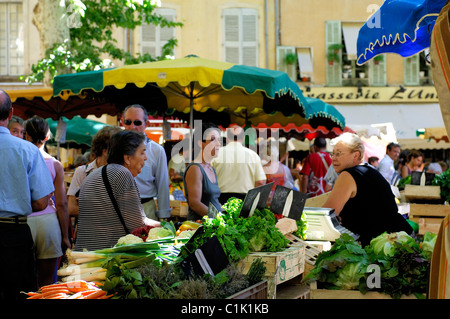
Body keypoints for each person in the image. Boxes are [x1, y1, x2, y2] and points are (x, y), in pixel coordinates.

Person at [0, 90, 54, 299]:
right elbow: (42, 202)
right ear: (11, 112)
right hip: (15, 234)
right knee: (19, 293)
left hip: (16, 234)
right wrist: (15, 202)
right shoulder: (28, 150)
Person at [74, 130, 161, 252]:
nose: (145, 158)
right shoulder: (121, 174)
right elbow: (137, 224)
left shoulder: (96, 173)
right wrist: (165, 228)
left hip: (87, 252)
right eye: (142, 153)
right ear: (128, 158)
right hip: (105, 256)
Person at [322, 133, 413, 247]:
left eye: (339, 154)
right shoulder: (369, 170)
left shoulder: (347, 175)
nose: (333, 158)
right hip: (398, 239)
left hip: (385, 245)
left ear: (356, 155)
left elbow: (325, 214)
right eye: (333, 154)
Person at [24, 116, 71, 287]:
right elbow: (62, 204)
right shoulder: (55, 164)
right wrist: (66, 237)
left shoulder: (20, 160)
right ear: (47, 137)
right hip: (48, 223)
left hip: (23, 221)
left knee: (24, 281)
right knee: (47, 283)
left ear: (26, 135)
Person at [121, 104, 171, 221]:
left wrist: (164, 217)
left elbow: (162, 184)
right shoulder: (115, 147)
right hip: (120, 208)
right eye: (128, 122)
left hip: (146, 208)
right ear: (122, 123)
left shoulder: (156, 150)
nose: (132, 126)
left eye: (137, 123)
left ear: (146, 124)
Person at [67, 126, 122, 219]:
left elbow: (124, 210)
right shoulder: (83, 172)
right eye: (119, 148)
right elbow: (71, 208)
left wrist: (88, 207)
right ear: (105, 151)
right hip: (88, 231)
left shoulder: (121, 172)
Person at [212, 125, 266, 204]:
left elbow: (208, 179)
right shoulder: (253, 155)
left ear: (227, 137)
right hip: (245, 200)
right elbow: (261, 182)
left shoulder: (216, 154)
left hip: (220, 200)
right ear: (243, 138)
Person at [184, 122, 222, 220]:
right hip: (200, 226)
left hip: (215, 226)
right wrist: (218, 218)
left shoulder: (210, 168)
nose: (218, 144)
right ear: (200, 143)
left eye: (219, 140)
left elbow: (213, 201)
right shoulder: (195, 168)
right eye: (213, 140)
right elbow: (195, 204)